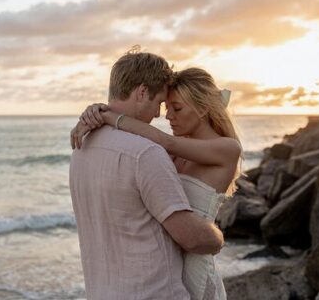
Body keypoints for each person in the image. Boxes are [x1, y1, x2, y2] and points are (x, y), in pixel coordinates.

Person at [71, 67, 242, 300]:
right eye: (167, 106)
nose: (168, 115)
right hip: (167, 266)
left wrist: (108, 116)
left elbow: (164, 141)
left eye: (177, 108)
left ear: (202, 108)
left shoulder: (227, 148)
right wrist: (95, 111)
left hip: (195, 263)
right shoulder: (176, 147)